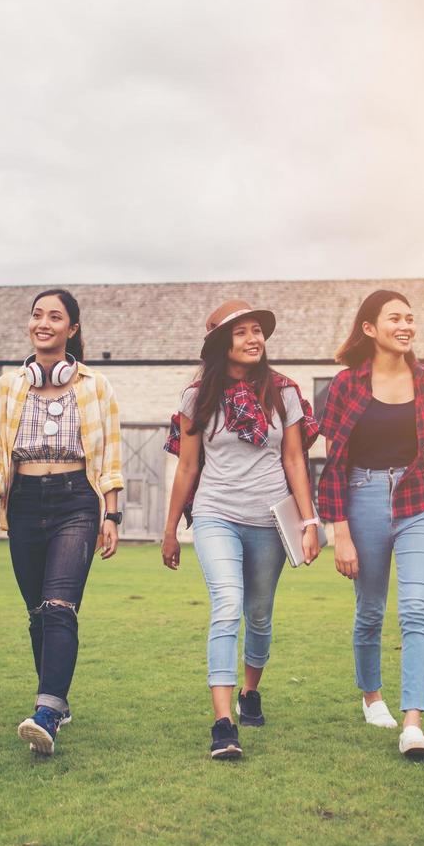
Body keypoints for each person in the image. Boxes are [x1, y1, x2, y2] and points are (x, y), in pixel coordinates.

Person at [316, 290, 424, 760]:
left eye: (411, 317)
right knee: (370, 611)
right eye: (395, 318)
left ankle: (413, 724)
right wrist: (340, 531)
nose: (406, 325)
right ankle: (372, 696)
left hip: (416, 503)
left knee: (415, 609)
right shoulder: (347, 384)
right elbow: (333, 464)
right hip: (362, 498)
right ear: (370, 329)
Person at [162, 300, 320, 760]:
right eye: (241, 333)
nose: (254, 339)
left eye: (258, 331)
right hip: (216, 514)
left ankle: (251, 691)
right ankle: (223, 721)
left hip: (271, 519)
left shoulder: (285, 391)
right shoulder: (196, 397)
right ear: (219, 344)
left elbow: (294, 459)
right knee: (228, 604)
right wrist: (171, 528)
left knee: (260, 614)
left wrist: (309, 522)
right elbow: (188, 466)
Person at [0, 290, 123, 756]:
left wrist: (112, 513)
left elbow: (111, 455)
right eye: (37, 315)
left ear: (72, 329)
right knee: (38, 613)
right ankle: (58, 699)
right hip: (23, 503)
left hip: (76, 501)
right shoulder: (8, 386)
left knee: (60, 606)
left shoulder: (95, 387)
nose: (44, 323)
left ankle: (46, 713)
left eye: (55, 317)